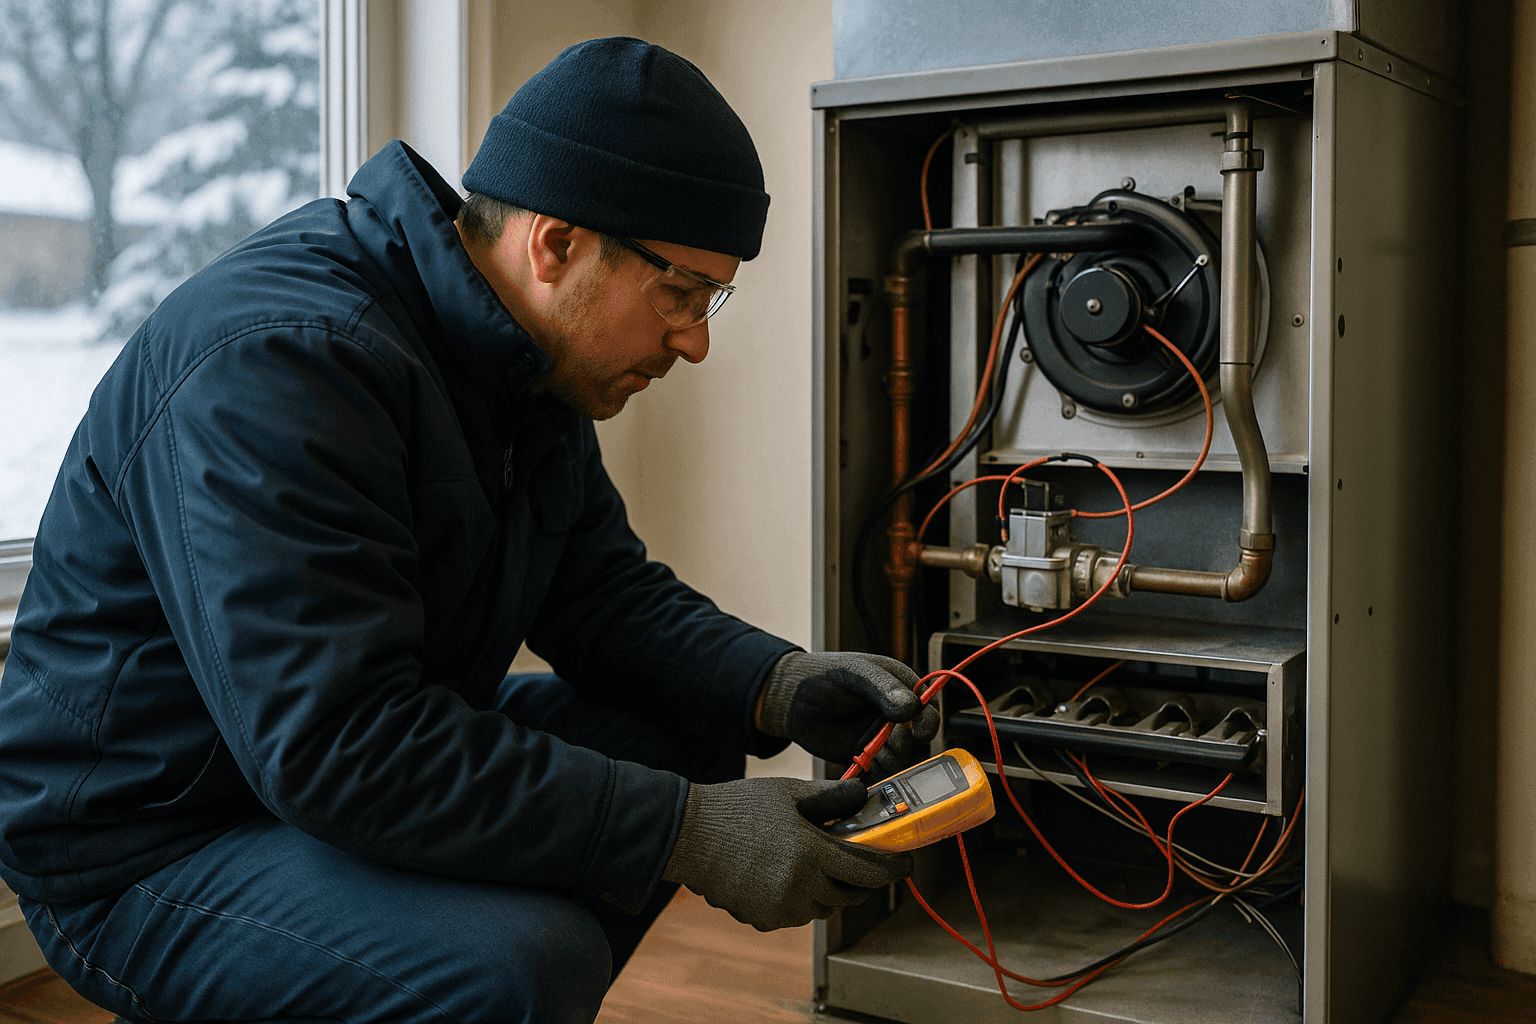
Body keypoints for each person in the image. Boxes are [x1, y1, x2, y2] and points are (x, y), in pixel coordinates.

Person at [0, 36, 939, 1024]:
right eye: (681, 292)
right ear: (556, 245)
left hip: (307, 773)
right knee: (517, 966)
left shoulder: (522, 364)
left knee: (679, 726)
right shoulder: (284, 362)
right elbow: (341, 743)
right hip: (149, 836)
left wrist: (775, 685)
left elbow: (601, 594)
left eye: (711, 301)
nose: (695, 341)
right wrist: (683, 834)